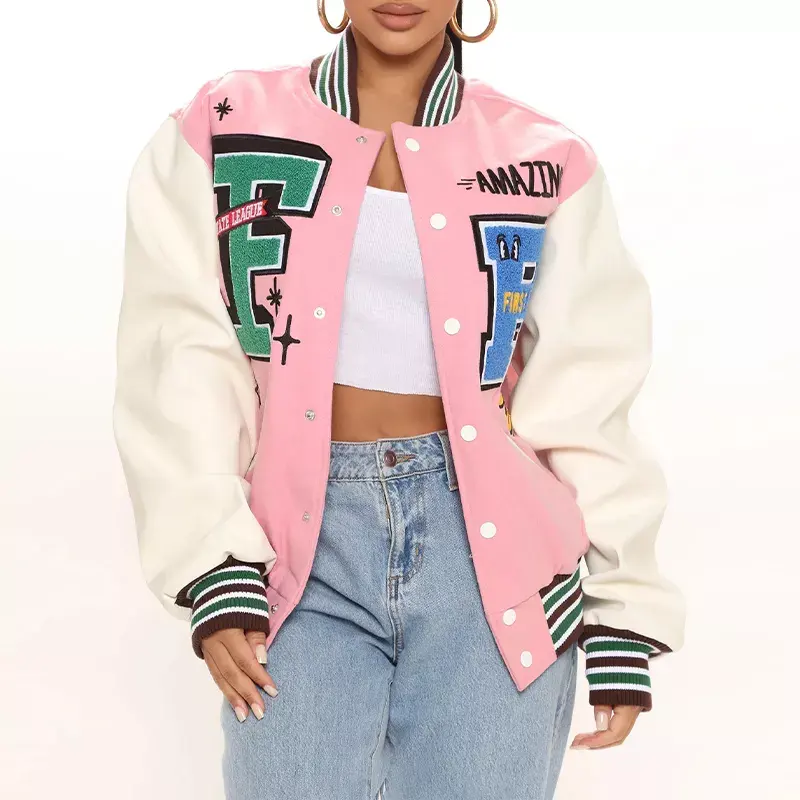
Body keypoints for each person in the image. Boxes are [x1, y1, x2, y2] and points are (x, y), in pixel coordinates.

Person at [112, 1, 686, 797]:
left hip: (495, 568)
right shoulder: (225, 123)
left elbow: (590, 392)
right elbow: (178, 351)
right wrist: (212, 559)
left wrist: (621, 608)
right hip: (294, 553)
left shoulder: (545, 158)